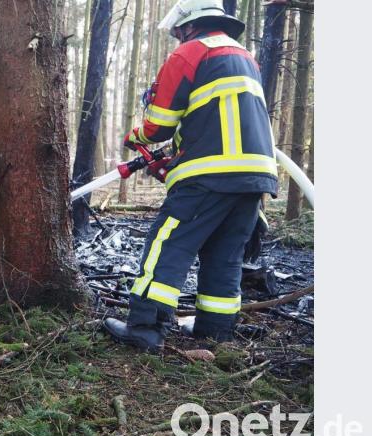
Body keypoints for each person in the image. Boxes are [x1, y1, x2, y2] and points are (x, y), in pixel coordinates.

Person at [103, 0, 278, 352]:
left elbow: (160, 125)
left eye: (177, 32)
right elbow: (214, 121)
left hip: (212, 172)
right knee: (225, 253)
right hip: (255, 175)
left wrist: (135, 137)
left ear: (188, 25)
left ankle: (145, 327)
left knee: (167, 244)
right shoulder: (245, 57)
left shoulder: (190, 53)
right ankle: (216, 331)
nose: (176, 37)